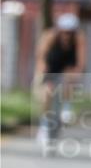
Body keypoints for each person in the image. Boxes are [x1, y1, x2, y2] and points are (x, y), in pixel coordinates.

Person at [34, 12, 87, 147]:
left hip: (66, 69)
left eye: (70, 32)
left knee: (70, 80)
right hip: (50, 67)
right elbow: (41, 57)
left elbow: (81, 61)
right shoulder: (49, 36)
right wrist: (43, 72)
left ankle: (67, 107)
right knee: (46, 94)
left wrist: (77, 73)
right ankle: (44, 125)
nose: (67, 35)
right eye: (65, 32)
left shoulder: (79, 39)